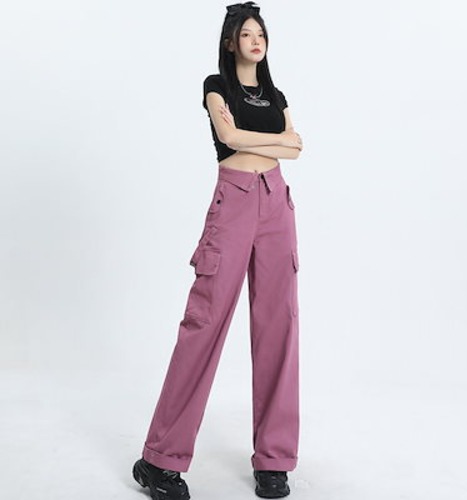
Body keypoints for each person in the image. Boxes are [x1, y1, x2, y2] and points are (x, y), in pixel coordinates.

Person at [132, 2, 303, 499]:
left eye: (260, 33)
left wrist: (262, 141)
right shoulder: (216, 86)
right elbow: (228, 138)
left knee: (279, 325)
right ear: (231, 42)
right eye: (246, 33)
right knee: (204, 322)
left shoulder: (276, 94)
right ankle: (158, 460)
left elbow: (297, 147)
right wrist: (274, 140)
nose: (255, 40)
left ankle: (274, 460)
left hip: (276, 203)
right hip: (234, 201)